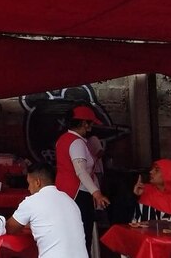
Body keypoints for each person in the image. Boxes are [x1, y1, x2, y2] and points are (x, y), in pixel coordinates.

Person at [54, 105, 109, 251]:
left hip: (66, 193)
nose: (91, 126)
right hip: (78, 194)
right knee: (82, 238)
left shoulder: (63, 139)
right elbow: (81, 171)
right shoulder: (77, 142)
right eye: (90, 123)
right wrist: (96, 193)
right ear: (85, 123)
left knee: (70, 237)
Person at [6, 163, 88, 258]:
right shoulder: (69, 200)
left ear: (37, 182)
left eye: (29, 184)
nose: (28, 188)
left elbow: (9, 228)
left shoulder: (32, 202)